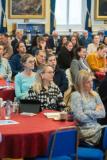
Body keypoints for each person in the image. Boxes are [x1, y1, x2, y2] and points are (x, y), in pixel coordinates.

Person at [71, 70, 105, 147]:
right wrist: (95, 112)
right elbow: (80, 118)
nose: (91, 84)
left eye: (91, 81)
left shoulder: (95, 94)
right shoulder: (76, 95)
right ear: (81, 84)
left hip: (97, 128)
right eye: (88, 82)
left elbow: (103, 114)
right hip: (85, 133)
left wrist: (87, 111)